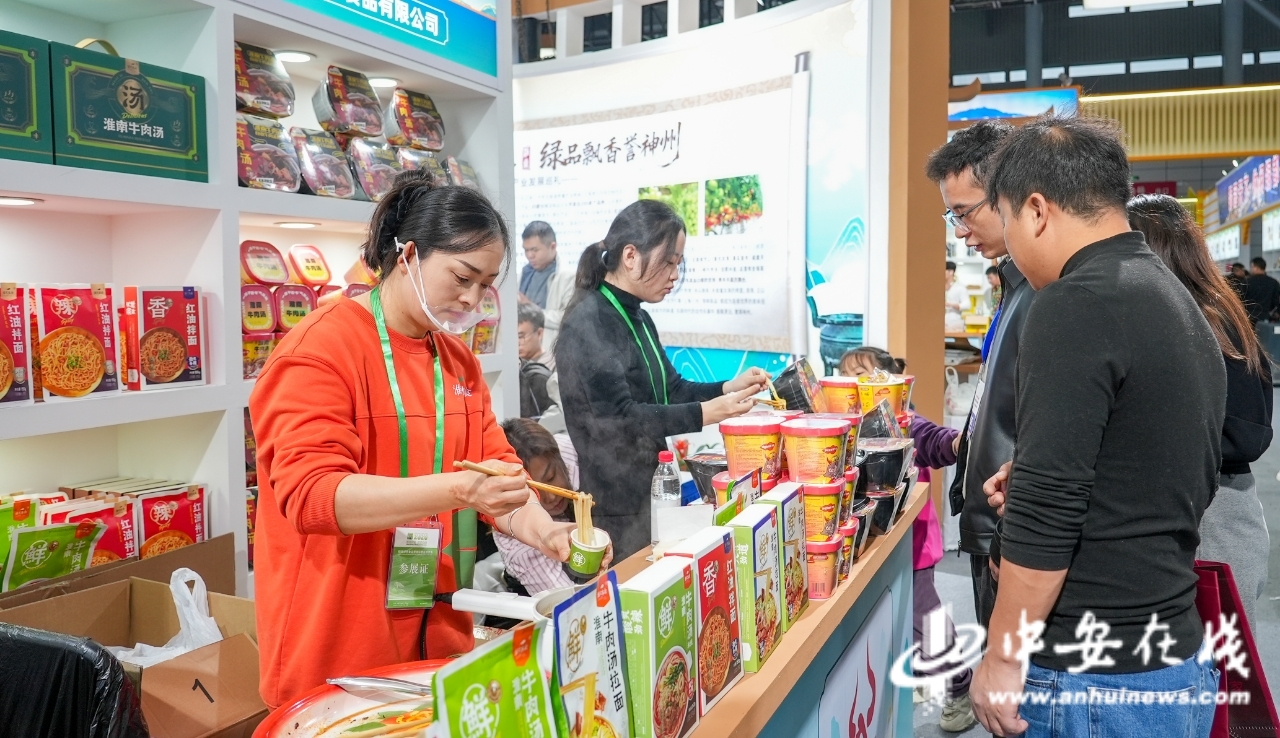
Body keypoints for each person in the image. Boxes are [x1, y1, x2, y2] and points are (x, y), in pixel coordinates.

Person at [250, 171, 610, 709]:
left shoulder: (457, 360)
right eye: (462, 277)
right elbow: (313, 497)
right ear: (409, 253)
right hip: (335, 644)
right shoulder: (321, 349)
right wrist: (460, 490)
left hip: (436, 639)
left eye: (486, 285)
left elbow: (501, 473)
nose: (471, 299)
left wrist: (548, 534)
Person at [972, 117, 1223, 737]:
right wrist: (1033, 475)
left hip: (1093, 678)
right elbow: (1158, 469)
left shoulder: (1074, 301)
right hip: (1172, 655)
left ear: (1036, 210)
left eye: (1004, 219)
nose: (1007, 242)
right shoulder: (1169, 295)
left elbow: (1050, 509)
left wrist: (1003, 656)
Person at [555, 200, 768, 559]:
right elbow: (618, 419)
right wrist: (708, 412)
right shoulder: (588, 322)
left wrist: (728, 388)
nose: (674, 275)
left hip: (650, 492)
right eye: (669, 262)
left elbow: (671, 388)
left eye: (678, 263)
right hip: (616, 508)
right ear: (630, 256)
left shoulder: (638, 316)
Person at [1129, 194, 1273, 628]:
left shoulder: (1198, 319)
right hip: (1213, 507)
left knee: (1219, 653)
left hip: (1211, 511)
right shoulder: (1215, 308)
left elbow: (1247, 434)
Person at [840, 348, 976, 733]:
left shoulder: (902, 421)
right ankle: (914, 675)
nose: (853, 386)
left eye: (863, 377)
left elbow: (934, 441)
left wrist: (958, 443)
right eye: (846, 377)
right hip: (868, 550)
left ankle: (959, 688)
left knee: (926, 626)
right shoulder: (844, 426)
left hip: (912, 549)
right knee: (886, 621)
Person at [925, 119, 1025, 632]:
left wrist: (1009, 538)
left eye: (964, 213)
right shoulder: (1015, 285)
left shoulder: (1043, 292)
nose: (960, 231)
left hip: (1011, 534)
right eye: (952, 216)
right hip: (992, 526)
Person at [493, 418, 577, 596]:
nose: (551, 496)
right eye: (534, 491)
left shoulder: (571, 451)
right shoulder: (519, 546)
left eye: (551, 477)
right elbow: (569, 602)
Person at [518, 221, 559, 309]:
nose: (529, 255)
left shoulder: (566, 276)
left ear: (553, 247)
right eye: (526, 250)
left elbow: (564, 315)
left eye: (535, 250)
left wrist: (530, 308)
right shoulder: (524, 273)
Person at [517, 302, 555, 369]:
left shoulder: (553, 364)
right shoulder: (513, 364)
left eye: (520, 337)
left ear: (539, 333)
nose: (517, 343)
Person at [1243, 256, 1280, 324]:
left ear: (1256, 267)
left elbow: (1241, 299)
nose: (1251, 269)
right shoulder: (1274, 282)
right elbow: (1276, 301)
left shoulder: (1247, 282)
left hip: (1249, 316)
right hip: (1265, 316)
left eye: (1252, 267)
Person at [944, 260, 968, 331]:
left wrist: (949, 304)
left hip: (954, 322)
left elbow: (967, 305)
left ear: (951, 272)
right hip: (939, 322)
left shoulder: (959, 287)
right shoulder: (938, 286)